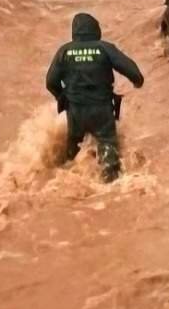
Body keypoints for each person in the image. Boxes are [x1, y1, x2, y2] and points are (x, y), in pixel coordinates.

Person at [45, 13, 144, 182]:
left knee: (74, 149)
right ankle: (111, 187)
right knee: (107, 145)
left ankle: (68, 184)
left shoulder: (64, 51)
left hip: (75, 110)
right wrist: (137, 82)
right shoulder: (104, 48)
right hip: (102, 109)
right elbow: (131, 70)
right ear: (96, 30)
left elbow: (50, 81)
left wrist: (62, 96)